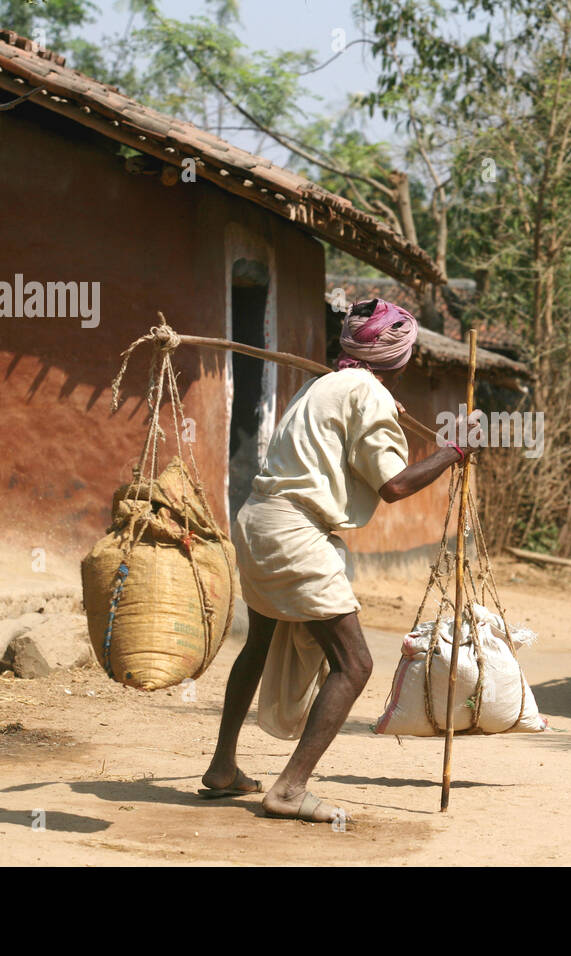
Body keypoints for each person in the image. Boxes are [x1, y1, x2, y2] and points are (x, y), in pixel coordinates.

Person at [200, 298, 466, 822]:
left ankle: (222, 768)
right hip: (294, 531)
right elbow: (393, 485)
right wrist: (452, 452)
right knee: (355, 664)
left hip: (257, 521)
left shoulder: (325, 385)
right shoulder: (366, 392)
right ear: (400, 356)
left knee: (258, 643)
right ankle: (290, 789)